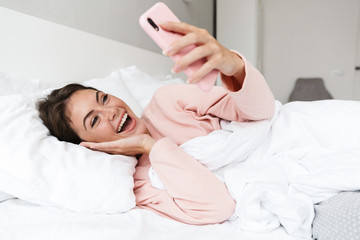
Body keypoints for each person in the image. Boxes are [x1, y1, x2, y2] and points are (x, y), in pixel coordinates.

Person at [37, 22, 275, 225]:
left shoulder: (167, 100)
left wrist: (233, 65)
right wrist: (150, 146)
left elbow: (260, 112)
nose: (111, 111)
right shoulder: (139, 182)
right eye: (95, 119)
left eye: (104, 98)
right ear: (88, 144)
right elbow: (219, 207)